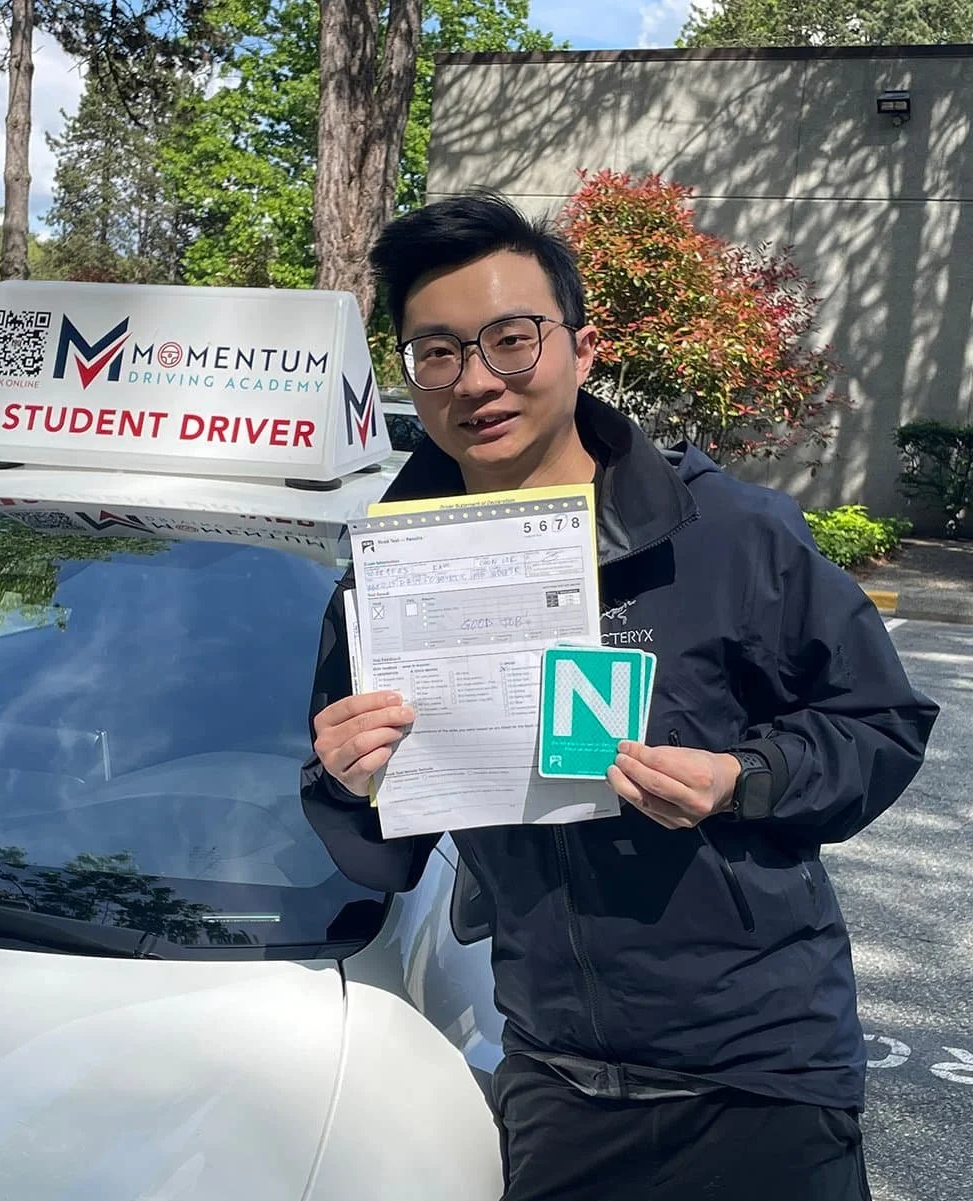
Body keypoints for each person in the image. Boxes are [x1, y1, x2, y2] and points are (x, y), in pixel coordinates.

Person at [301, 193, 939, 1201]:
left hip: (761, 1070)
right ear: (412, 372)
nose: (477, 380)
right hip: (557, 1076)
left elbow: (880, 724)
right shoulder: (388, 582)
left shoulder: (730, 533)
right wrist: (347, 781)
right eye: (438, 352)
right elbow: (388, 853)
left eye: (512, 340)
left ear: (582, 346)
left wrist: (745, 776)